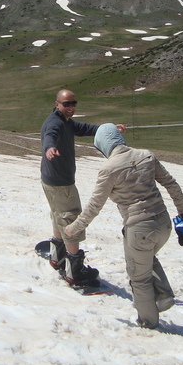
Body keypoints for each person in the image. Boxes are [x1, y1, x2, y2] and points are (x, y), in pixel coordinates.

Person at [64, 123, 183, 329]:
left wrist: (74, 228)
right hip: (163, 223)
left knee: (139, 276)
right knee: (146, 258)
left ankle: (148, 323)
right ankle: (164, 295)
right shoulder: (146, 155)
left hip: (139, 228)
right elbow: (171, 184)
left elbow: (94, 206)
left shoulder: (108, 169)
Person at [40, 89, 125, 285]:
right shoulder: (55, 123)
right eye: (66, 104)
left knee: (58, 215)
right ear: (56, 104)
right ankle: (73, 270)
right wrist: (49, 148)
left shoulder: (66, 122)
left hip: (51, 179)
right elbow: (49, 136)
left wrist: (109, 129)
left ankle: (57, 256)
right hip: (61, 182)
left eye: (73, 103)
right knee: (71, 218)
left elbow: (86, 128)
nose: (71, 107)